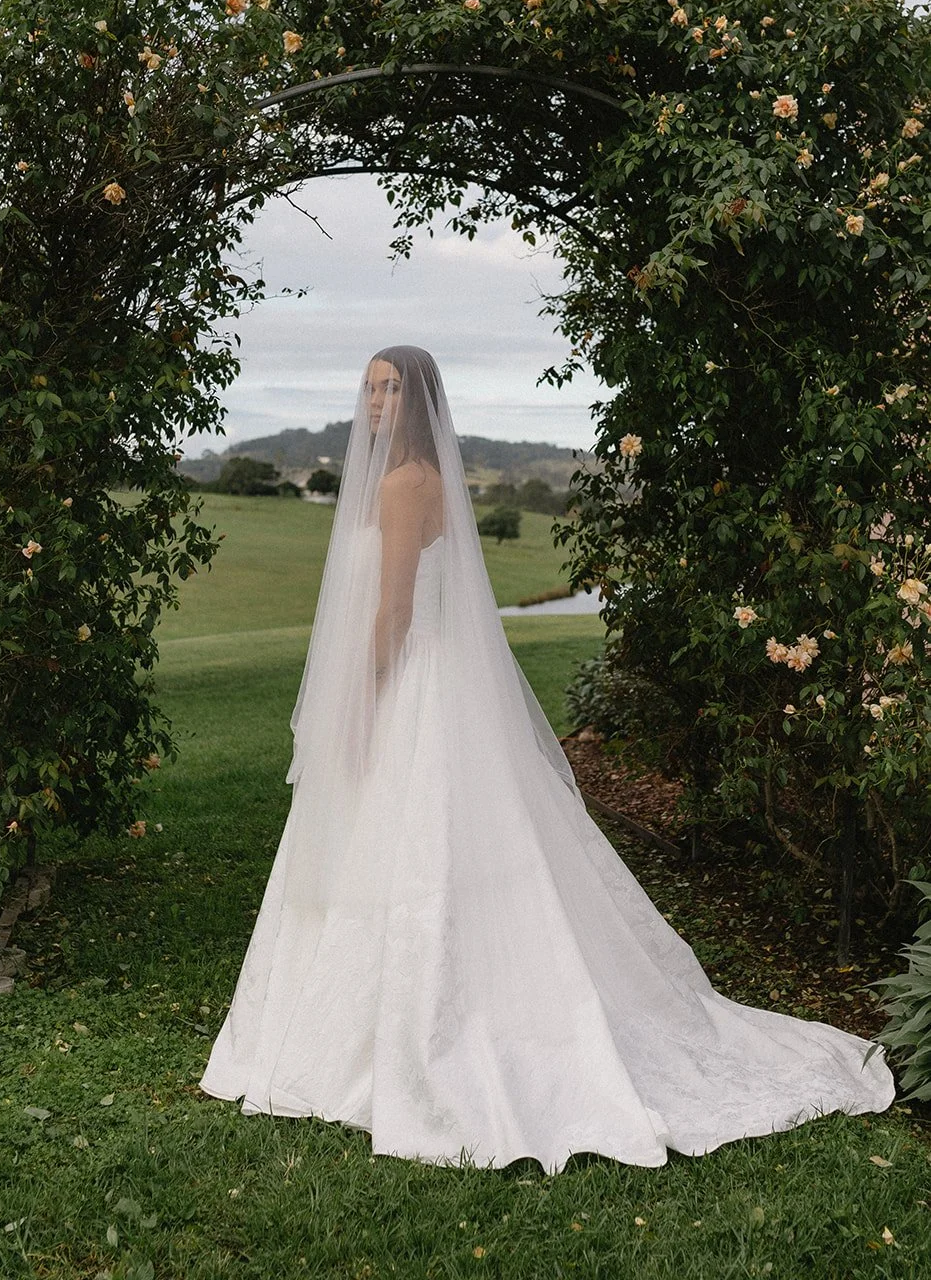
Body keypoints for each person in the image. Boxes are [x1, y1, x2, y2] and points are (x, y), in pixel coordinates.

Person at [198, 345, 895, 1172]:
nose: (376, 402)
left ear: (418, 400)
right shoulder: (427, 481)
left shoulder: (400, 484)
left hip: (408, 685)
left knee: (404, 844)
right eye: (368, 388)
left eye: (390, 388)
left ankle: (403, 1035)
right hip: (438, 679)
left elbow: (389, 615)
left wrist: (359, 706)